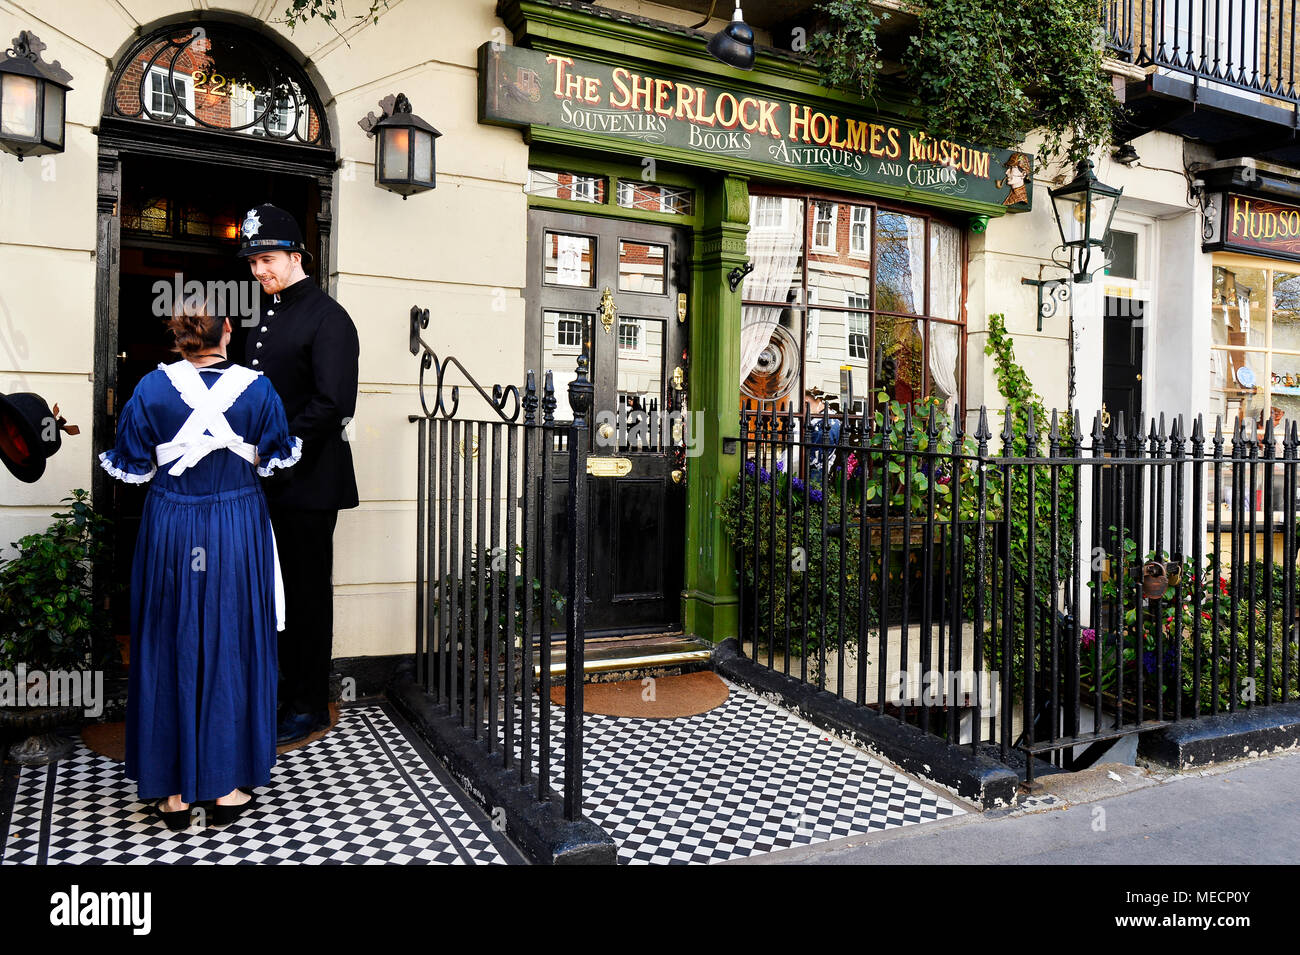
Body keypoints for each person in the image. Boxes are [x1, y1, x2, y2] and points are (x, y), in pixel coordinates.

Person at [98, 301, 301, 831]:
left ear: (180, 337)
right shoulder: (259, 390)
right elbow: (277, 456)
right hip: (235, 526)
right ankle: (227, 787)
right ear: (228, 331)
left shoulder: (150, 388)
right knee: (233, 641)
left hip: (172, 527)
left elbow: (133, 464)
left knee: (170, 641)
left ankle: (174, 796)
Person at [236, 203, 360, 745]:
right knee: (272, 591)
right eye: (253, 262)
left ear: (294, 256)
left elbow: (333, 404)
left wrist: (274, 448)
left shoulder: (329, 318)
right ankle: (279, 691)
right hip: (263, 481)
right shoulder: (266, 315)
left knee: (306, 595)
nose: (258, 270)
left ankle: (309, 703)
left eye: (265, 259)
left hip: (309, 484)